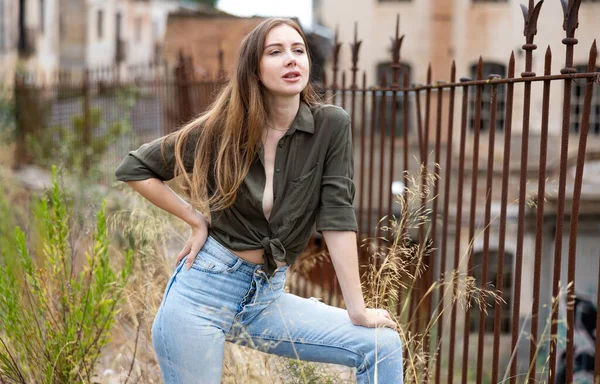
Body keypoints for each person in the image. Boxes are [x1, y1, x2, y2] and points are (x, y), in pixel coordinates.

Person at [115, 17, 403, 384]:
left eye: (298, 50)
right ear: (254, 69)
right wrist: (195, 219)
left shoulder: (331, 126)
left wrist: (357, 310)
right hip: (201, 297)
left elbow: (336, 216)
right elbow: (135, 167)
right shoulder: (221, 129)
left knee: (381, 345)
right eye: (276, 51)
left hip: (266, 298)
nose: (291, 59)